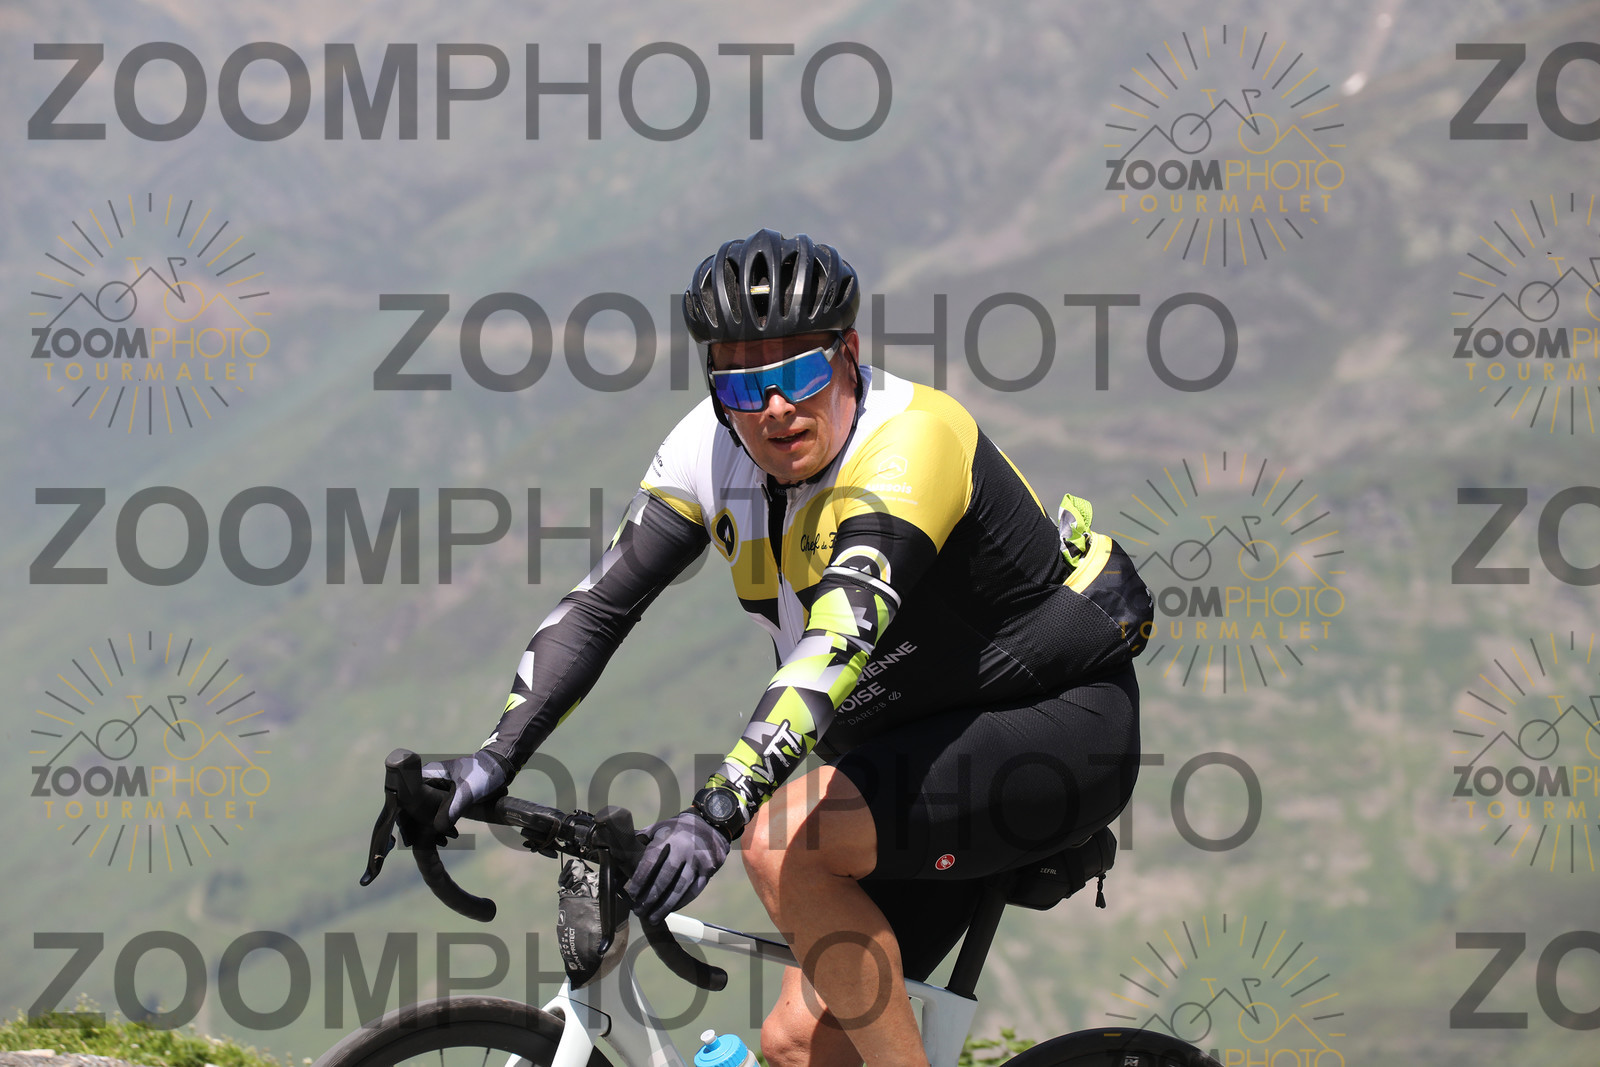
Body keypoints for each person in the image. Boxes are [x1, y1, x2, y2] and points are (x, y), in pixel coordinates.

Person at [423, 229, 1154, 1067]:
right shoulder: (706, 451)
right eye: (742, 382)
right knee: (800, 1045)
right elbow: (599, 609)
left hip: (1057, 730)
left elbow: (839, 637)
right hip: (911, 763)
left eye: (799, 372)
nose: (773, 406)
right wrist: (493, 758)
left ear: (849, 355)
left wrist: (715, 811)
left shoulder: (912, 441)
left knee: (780, 841)